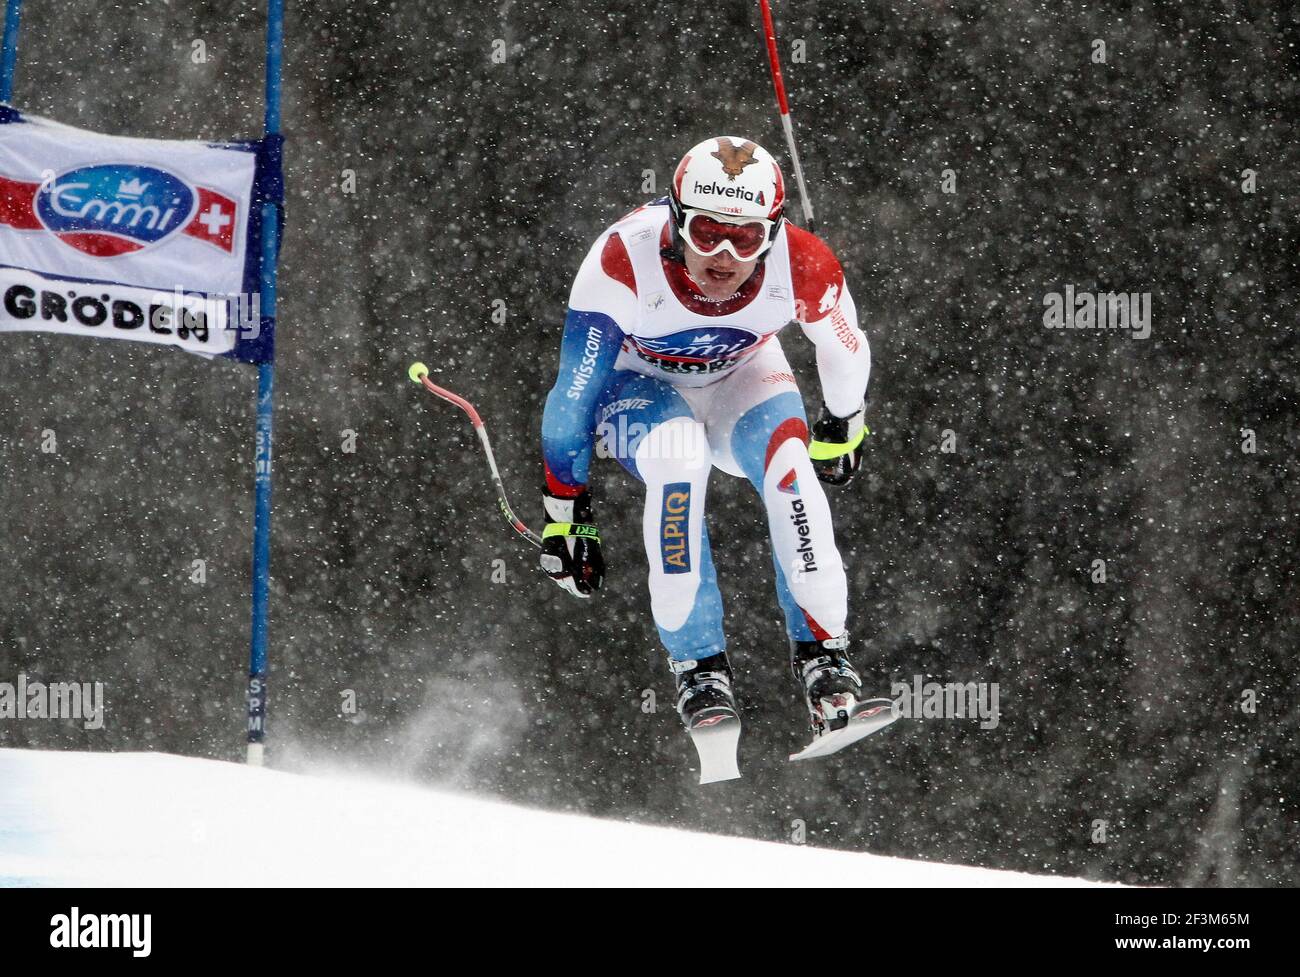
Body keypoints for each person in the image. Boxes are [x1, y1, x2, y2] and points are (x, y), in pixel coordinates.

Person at [539, 135, 877, 745]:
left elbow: (845, 346)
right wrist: (566, 511)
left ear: (771, 233)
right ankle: (699, 668)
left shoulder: (803, 262)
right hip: (634, 387)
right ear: (673, 222)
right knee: (679, 461)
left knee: (792, 470)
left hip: (741, 378)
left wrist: (844, 422)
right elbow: (573, 394)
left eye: (744, 238)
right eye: (705, 233)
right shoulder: (623, 261)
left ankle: (825, 655)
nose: (723, 255)